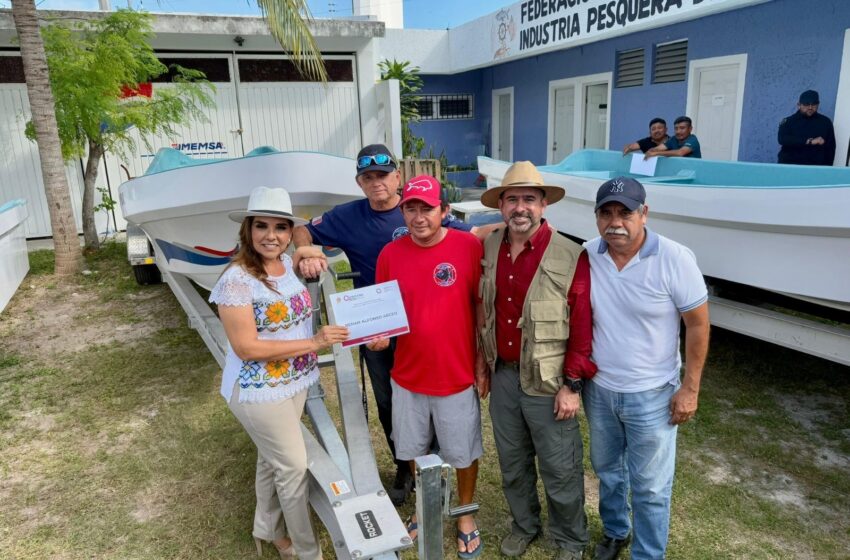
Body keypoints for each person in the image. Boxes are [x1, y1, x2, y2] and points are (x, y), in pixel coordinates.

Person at [292, 144, 496, 505]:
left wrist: (512, 226)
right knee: (391, 402)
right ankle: (406, 464)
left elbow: (473, 236)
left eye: (383, 175)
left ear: (397, 178)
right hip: (381, 325)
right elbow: (302, 231)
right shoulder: (348, 217)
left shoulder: (423, 210)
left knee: (438, 398)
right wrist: (308, 251)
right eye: (368, 177)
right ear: (359, 182)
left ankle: (438, 465)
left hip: (428, 325)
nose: (376, 183)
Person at [209, 186, 349, 560]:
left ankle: (267, 529)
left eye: (280, 228)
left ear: (290, 233)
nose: (271, 236)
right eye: (261, 226)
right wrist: (315, 343)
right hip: (259, 391)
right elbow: (247, 348)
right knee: (292, 468)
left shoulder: (286, 266)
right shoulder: (236, 280)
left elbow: (309, 255)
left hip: (295, 381)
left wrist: (309, 251)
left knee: (270, 459)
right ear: (248, 231)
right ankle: (306, 552)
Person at [583, 177, 710, 560]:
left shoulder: (675, 258)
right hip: (600, 389)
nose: (615, 221)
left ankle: (648, 553)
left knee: (651, 486)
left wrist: (690, 388)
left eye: (625, 212)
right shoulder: (589, 254)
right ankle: (615, 531)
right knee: (607, 471)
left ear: (644, 213)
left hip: (653, 393)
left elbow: (698, 324)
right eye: (606, 212)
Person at [476, 161, 596, 560]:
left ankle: (570, 539)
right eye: (513, 199)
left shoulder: (570, 254)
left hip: (549, 382)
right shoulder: (489, 245)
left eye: (529, 199)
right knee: (512, 462)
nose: (520, 208)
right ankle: (524, 524)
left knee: (559, 467)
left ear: (544, 205)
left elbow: (582, 325)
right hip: (504, 376)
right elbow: (484, 309)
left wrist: (572, 385)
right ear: (501, 206)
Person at [370, 175, 486, 559]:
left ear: (445, 211)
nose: (419, 217)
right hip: (408, 375)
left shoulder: (467, 246)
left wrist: (482, 360)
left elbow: (481, 306)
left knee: (463, 453)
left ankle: (466, 515)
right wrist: (379, 335)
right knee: (416, 451)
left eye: (427, 208)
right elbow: (384, 313)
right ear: (403, 210)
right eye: (411, 208)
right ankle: (425, 508)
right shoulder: (390, 254)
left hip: (456, 375)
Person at [778, 89, 836, 166]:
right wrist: (809, 141)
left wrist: (827, 170)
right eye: (806, 104)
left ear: (818, 104)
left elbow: (831, 148)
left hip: (816, 169)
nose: (810, 107)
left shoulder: (825, 122)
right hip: (790, 167)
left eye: (814, 104)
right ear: (799, 105)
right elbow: (782, 139)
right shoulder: (788, 121)